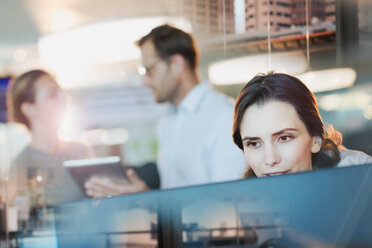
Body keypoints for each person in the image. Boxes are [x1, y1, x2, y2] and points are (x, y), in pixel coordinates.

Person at [84, 24, 246, 197]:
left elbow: (230, 201)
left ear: (177, 64)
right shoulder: (167, 120)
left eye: (149, 70)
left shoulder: (224, 117)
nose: (144, 82)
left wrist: (149, 200)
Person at [232, 72, 372, 178]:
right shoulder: (237, 202)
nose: (270, 160)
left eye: (284, 138)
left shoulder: (360, 174)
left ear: (316, 139)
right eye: (254, 144)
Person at [7, 69, 94, 206]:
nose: (63, 99)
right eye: (52, 95)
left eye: (61, 93)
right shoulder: (20, 167)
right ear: (29, 109)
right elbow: (20, 221)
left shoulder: (79, 150)